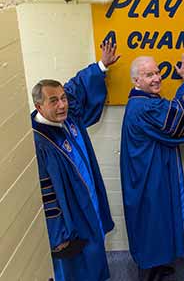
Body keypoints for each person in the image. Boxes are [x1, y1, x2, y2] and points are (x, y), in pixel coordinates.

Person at [31, 41, 120, 281]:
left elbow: (76, 87)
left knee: (95, 260)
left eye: (62, 98)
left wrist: (102, 65)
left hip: (89, 206)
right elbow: (45, 198)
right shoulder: (38, 143)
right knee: (77, 270)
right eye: (54, 101)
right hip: (71, 222)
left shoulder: (69, 117)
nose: (62, 104)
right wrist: (58, 236)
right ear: (39, 106)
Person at [120, 53, 184, 280]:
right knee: (153, 221)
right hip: (149, 178)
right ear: (136, 81)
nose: (157, 78)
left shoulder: (144, 101)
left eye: (157, 72)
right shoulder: (143, 107)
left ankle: (157, 265)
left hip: (151, 172)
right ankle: (150, 271)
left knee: (156, 220)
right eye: (149, 75)